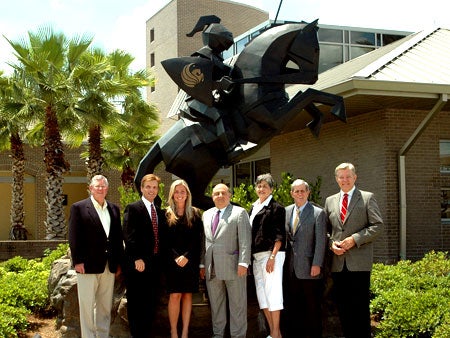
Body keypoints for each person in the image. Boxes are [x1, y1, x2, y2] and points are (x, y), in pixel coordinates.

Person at [324, 163, 383, 338]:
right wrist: (331, 244)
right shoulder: (330, 201)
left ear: (355, 177)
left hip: (359, 264)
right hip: (338, 263)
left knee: (360, 309)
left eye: (348, 176)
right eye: (341, 177)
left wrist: (355, 239)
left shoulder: (366, 198)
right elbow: (326, 230)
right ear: (336, 179)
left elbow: (377, 225)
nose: (345, 180)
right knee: (343, 308)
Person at [68, 175, 124, 338]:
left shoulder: (114, 209)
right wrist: (77, 261)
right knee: (86, 306)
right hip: (87, 266)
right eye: (97, 186)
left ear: (107, 189)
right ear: (90, 188)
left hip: (109, 266)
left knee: (105, 307)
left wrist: (118, 262)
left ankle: (102, 335)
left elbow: (117, 238)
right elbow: (73, 236)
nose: (100, 189)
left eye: (103, 186)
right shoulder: (78, 208)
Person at [200, 183, 252, 338]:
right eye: (217, 193)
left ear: (230, 195)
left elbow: (245, 240)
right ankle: (218, 335)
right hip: (212, 268)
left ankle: (238, 336)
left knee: (238, 306)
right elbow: (204, 241)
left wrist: (244, 262)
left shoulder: (239, 212)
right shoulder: (206, 214)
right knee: (216, 307)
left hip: (234, 268)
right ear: (212, 196)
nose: (220, 196)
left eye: (223, 193)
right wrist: (202, 264)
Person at [122, 174, 166, 338]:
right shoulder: (133, 208)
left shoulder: (158, 210)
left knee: (150, 305)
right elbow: (128, 235)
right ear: (141, 188)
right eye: (148, 187)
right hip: (138, 266)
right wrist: (136, 258)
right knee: (136, 306)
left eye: (155, 187)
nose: (151, 190)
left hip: (154, 265)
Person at [283, 179, 327, 338]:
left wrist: (317, 263)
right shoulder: (286, 211)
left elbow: (321, 241)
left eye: (303, 191)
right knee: (293, 306)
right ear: (292, 194)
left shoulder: (318, 213)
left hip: (310, 267)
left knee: (312, 307)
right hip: (290, 268)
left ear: (308, 192)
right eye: (297, 191)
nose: (300, 194)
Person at [164, 179, 203, 338]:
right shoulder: (165, 213)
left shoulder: (195, 213)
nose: (180, 194)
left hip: (190, 261)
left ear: (187, 194)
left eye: (183, 191)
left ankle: (185, 332)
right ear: (172, 194)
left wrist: (187, 257)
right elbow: (164, 240)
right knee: (175, 295)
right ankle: (174, 332)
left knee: (187, 295)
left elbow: (198, 239)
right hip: (171, 262)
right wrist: (175, 257)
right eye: (177, 191)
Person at [249, 173, 286, 338]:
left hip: (272, 256)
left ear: (271, 189)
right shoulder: (253, 206)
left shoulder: (277, 208)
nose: (261, 188)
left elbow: (280, 235)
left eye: (265, 186)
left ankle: (276, 332)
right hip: (256, 257)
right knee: (262, 295)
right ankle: (274, 333)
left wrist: (272, 257)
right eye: (259, 185)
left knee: (274, 294)